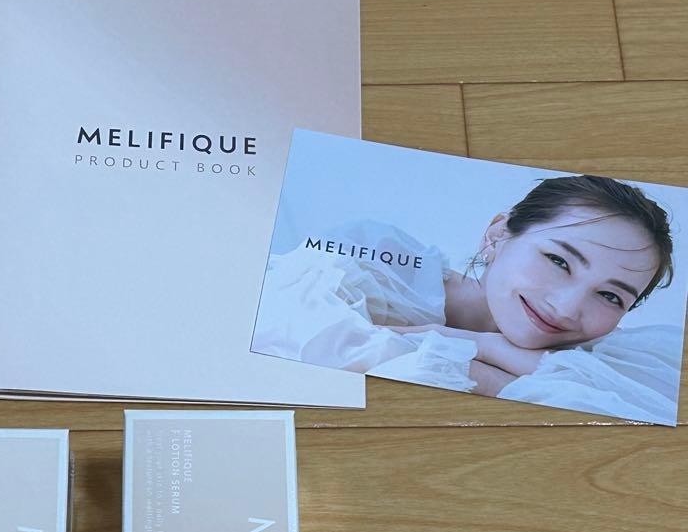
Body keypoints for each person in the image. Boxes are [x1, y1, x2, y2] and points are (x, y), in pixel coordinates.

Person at [252, 175, 679, 421]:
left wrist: (479, 347)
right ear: (498, 235)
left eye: (610, 296)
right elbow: (290, 346)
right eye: (558, 261)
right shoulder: (374, 262)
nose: (566, 309)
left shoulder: (621, 366)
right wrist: (490, 362)